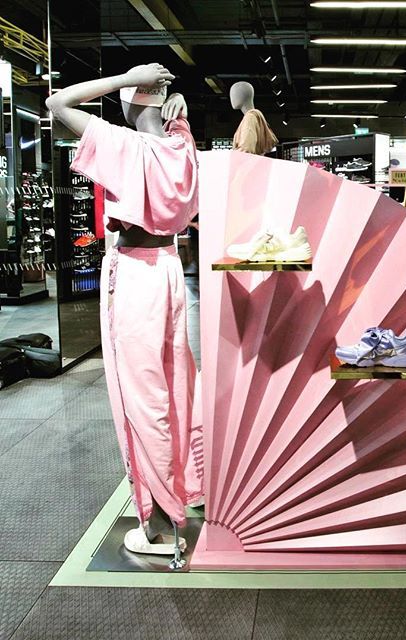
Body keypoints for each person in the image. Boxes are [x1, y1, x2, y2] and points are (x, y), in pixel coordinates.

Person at [46, 64, 203, 567]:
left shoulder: (124, 146)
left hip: (134, 275)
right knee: (176, 387)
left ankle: (159, 520)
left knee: (140, 398)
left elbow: (58, 103)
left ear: (132, 103)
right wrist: (171, 106)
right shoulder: (181, 145)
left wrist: (121, 79)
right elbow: (174, 118)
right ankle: (185, 488)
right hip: (171, 269)